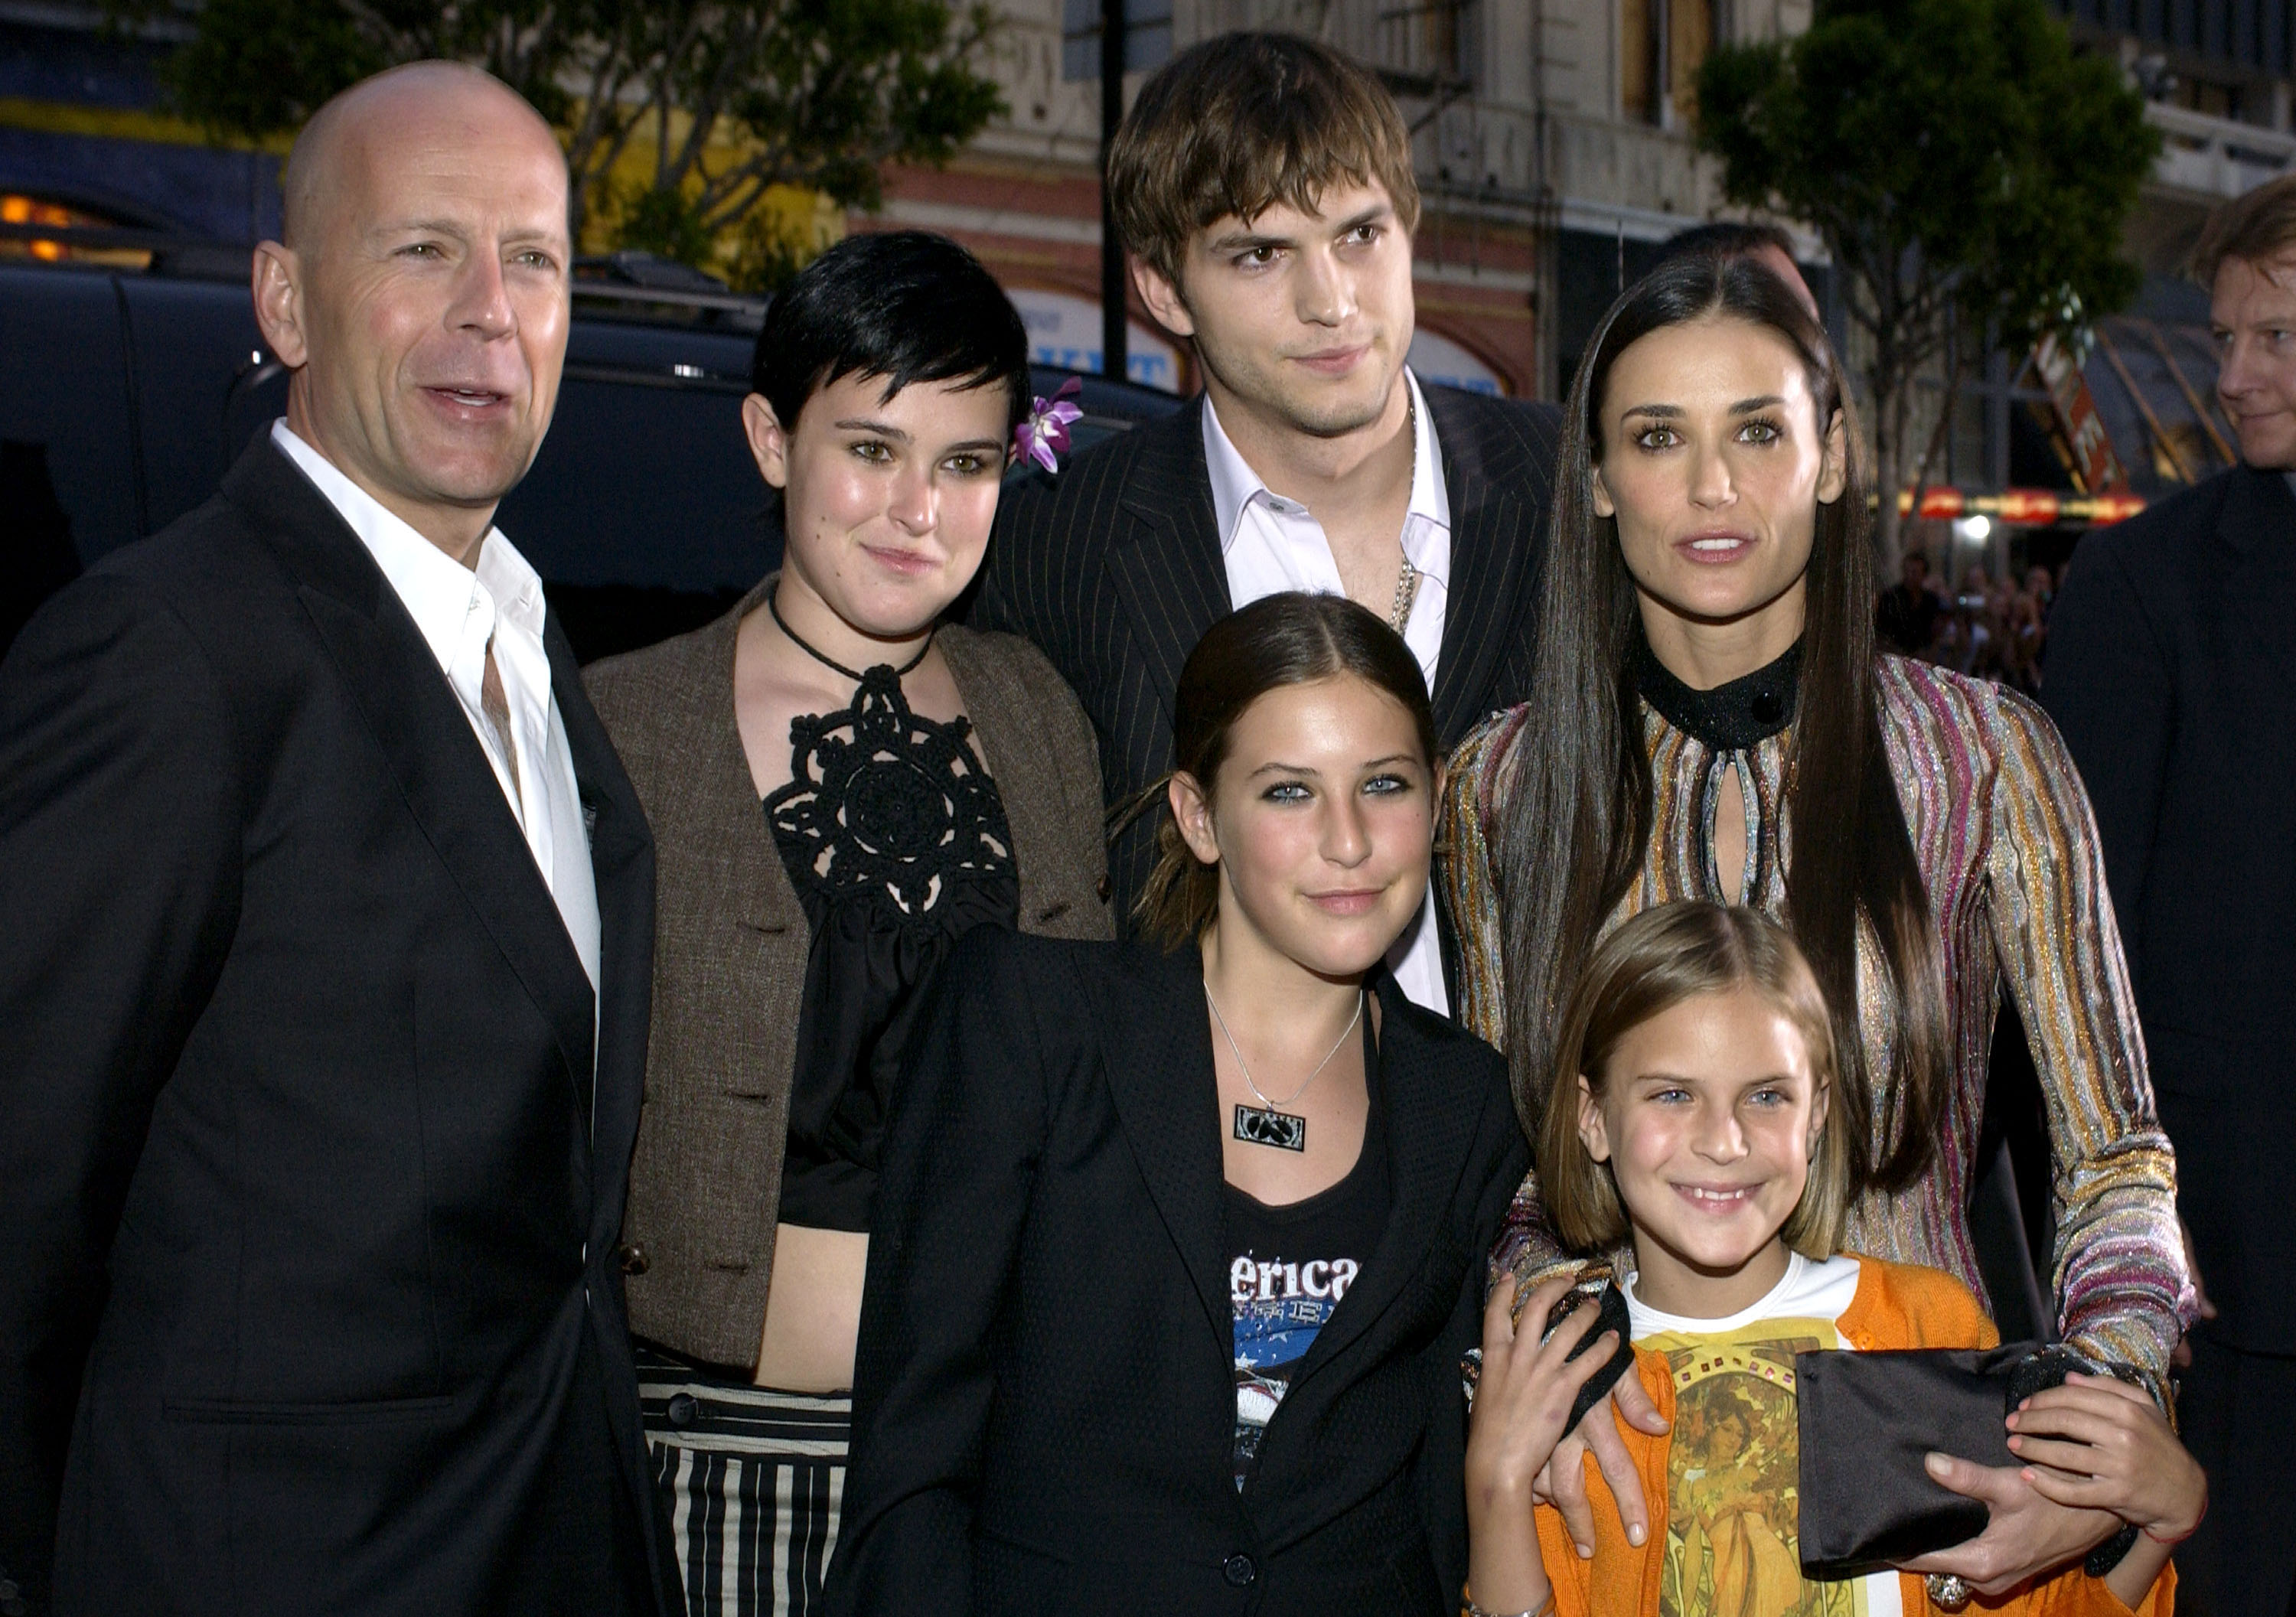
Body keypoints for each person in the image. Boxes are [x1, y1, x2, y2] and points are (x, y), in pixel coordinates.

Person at [0, 63, 677, 1615]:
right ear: (288, 303)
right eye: (423, 248)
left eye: (535, 259)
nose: (491, 311)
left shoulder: (522, 640)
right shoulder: (167, 656)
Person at [1440, 252, 2190, 1597]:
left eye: (1760, 430)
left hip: (1939, 1475)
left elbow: (2115, 1157)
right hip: (1620, 1476)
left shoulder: (1988, 757)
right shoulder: (1503, 786)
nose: (1713, 486)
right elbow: (1500, 1172)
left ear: (1834, 453)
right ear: (1600, 478)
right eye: (1659, 437)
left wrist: (2094, 1430)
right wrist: (1558, 1357)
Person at [582, 230, 1113, 1616]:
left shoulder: (1044, 715)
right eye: (871, 449)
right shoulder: (623, 727)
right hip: (717, 1470)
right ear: (771, 440)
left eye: (965, 462)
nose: (918, 510)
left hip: (1006, 1474)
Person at [828, 593, 1529, 1614]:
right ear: (1199, 816)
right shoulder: (1033, 1023)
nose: (1349, 840)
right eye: (1289, 793)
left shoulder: (1467, 1099)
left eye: (1384, 784)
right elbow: (913, 1457)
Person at [975, 31, 1562, 1014]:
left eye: (1361, 236)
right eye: (1259, 254)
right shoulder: (1053, 546)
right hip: (1218, 1155)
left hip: (1557, 1151)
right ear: (1165, 288)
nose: (1330, 301)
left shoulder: (1572, 487)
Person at [1461, 901, 2201, 1617]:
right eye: (1675, 1093)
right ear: (1594, 1116)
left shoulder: (1924, 1325)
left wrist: (2166, 1514)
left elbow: (2033, 1602)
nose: (1725, 1141)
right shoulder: (1564, 1374)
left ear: (1816, 1113)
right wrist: (1495, 1488)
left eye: (1766, 1096)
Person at [2043, 171, 2296, 1617]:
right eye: (2225, 336)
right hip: (2242, 1290)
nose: (2234, 373)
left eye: (2276, 338)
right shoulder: (2143, 585)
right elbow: (2082, 964)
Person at [1876, 548, 1944, 657]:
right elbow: (1881, 633)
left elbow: (1936, 633)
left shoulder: (1931, 601)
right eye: (1907, 571)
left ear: (1923, 575)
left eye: (1915, 572)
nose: (1910, 576)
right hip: (1895, 656)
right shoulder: (1890, 597)